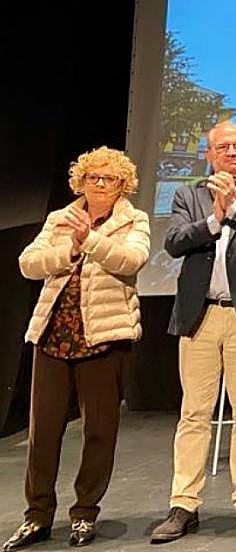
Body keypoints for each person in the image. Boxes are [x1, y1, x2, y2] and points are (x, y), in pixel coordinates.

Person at [4, 147, 149, 551]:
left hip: (103, 337)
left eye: (109, 179)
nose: (100, 185)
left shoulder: (133, 219)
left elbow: (132, 259)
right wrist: (68, 248)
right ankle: (37, 516)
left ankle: (85, 512)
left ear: (123, 184)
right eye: (93, 178)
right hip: (54, 334)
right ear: (81, 181)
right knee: (43, 432)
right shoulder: (60, 218)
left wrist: (91, 240)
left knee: (100, 431)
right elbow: (28, 263)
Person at [150, 121, 236, 542]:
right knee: (194, 413)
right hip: (200, 315)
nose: (232, 152)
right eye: (223, 147)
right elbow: (173, 241)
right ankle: (183, 504)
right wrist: (214, 218)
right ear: (209, 153)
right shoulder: (189, 195)